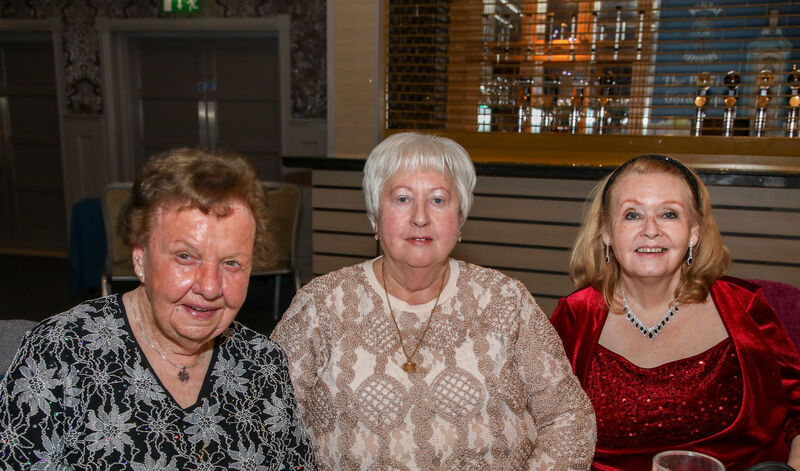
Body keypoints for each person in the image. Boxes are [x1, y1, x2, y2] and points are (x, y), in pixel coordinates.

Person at [271, 132, 596, 470]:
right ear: (375, 216)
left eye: (438, 200)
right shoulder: (320, 307)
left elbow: (569, 417)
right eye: (402, 198)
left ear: (460, 219)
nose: (421, 217)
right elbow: (268, 425)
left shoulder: (505, 300)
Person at [0, 148, 316, 469]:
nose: (209, 287)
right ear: (140, 258)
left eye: (231, 263)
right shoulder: (60, 354)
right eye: (185, 257)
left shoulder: (263, 364)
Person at [550, 154, 800, 470]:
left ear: (694, 231)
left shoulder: (745, 308)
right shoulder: (575, 316)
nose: (651, 230)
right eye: (632, 215)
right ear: (606, 232)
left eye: (669, 214)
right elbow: (539, 424)